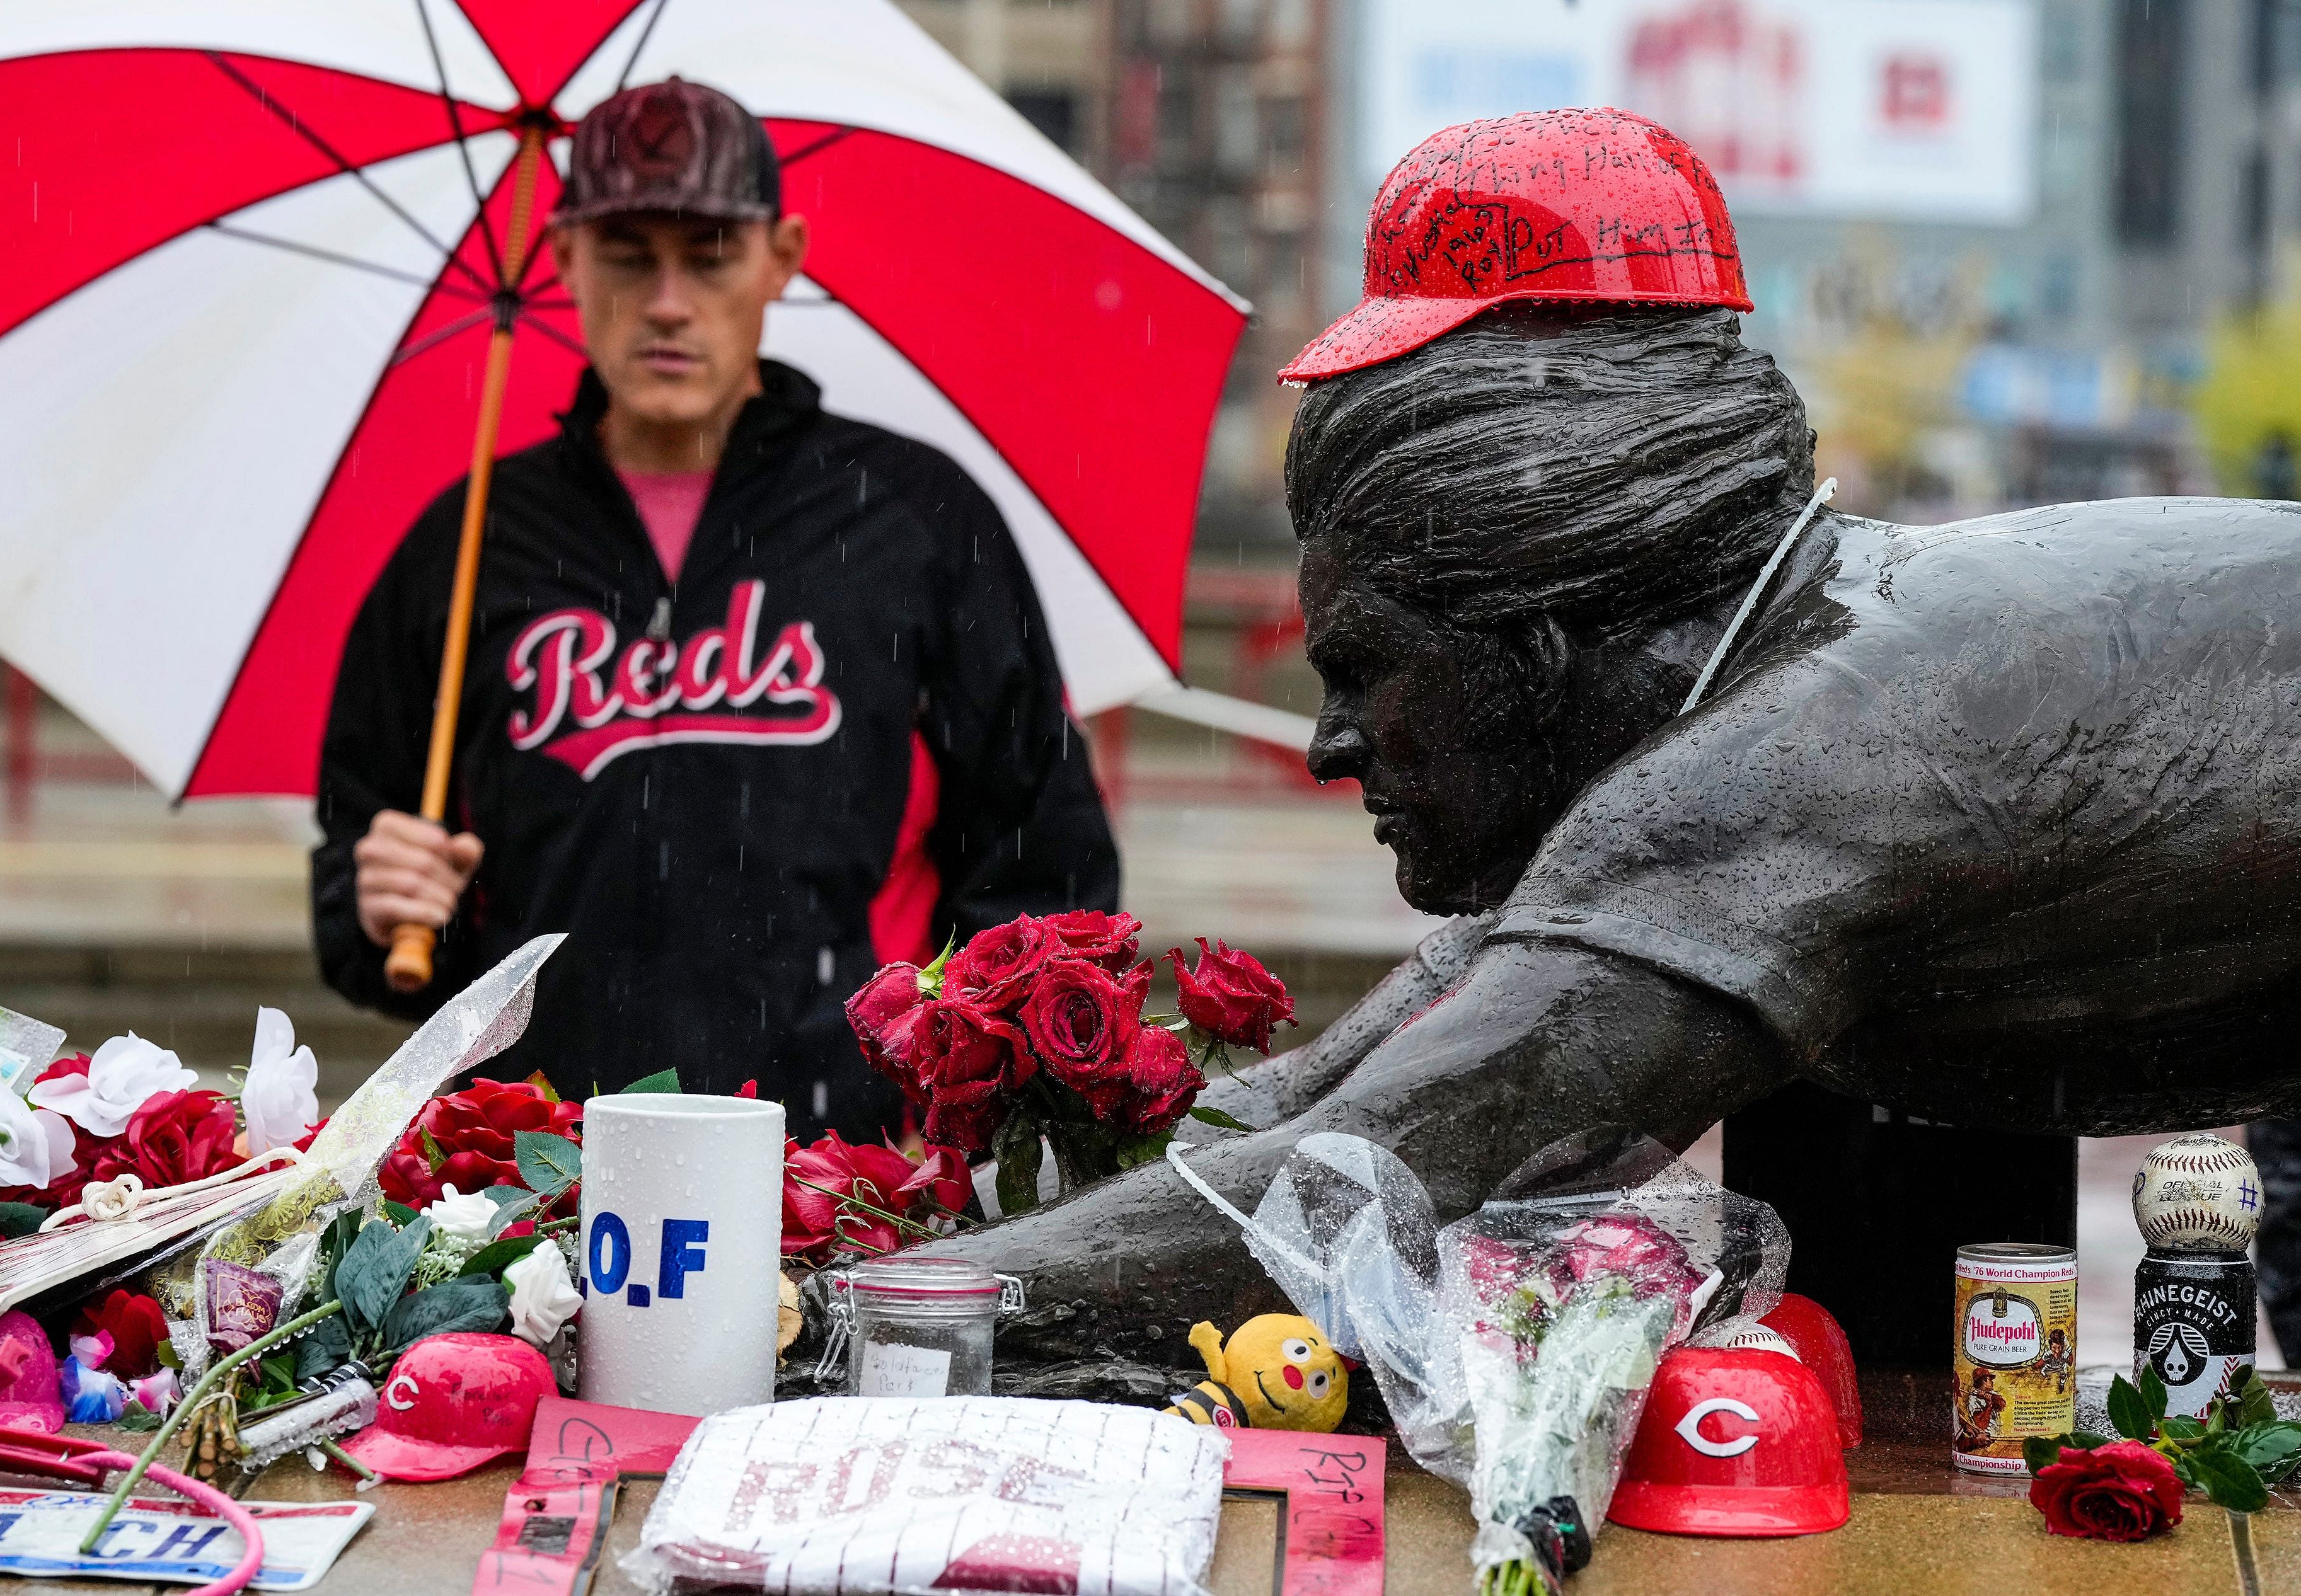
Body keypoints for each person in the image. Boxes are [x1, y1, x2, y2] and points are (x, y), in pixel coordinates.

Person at [908, 109, 2301, 1379]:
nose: (1327, 746)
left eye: (1365, 670)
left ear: (1534, 655)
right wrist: (964, 1205)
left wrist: (837, 1315)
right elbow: (1359, 1072)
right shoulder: (1786, 656)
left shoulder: (1782, 767)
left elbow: (1377, 1170)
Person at [313, 79, 1116, 1137]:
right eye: (629, 255)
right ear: (561, 259)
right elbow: (361, 885)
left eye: (710, 254)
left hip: (842, 1166)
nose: (668, 302)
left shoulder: (912, 519)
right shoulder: (470, 546)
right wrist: (393, 917)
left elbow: (1043, 866)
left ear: (781, 254)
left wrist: (943, 1094)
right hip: (538, 1176)